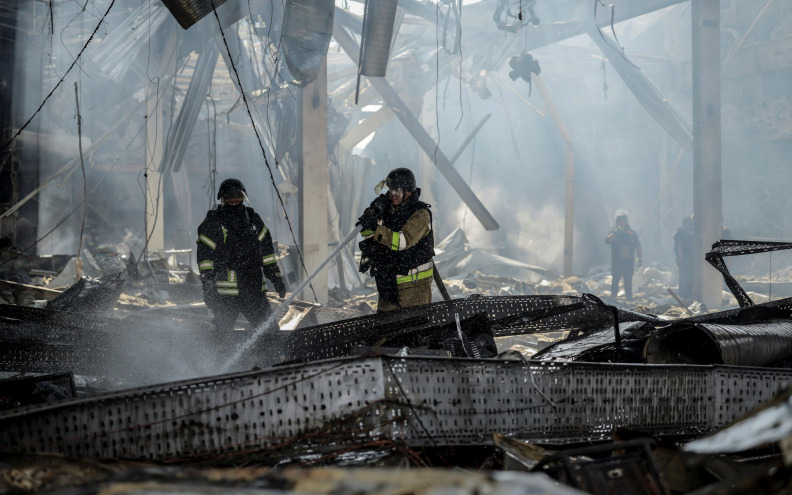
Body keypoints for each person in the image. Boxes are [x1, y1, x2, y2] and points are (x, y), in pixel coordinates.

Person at [197, 178, 287, 332]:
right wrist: (209, 286)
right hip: (225, 295)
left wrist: (275, 277)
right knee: (221, 337)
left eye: (237, 200)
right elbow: (205, 258)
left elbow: (267, 253)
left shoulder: (253, 220)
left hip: (253, 291)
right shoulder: (213, 222)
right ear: (223, 200)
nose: (234, 203)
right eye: (230, 201)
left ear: (243, 199)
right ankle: (215, 357)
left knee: (270, 332)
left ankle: (272, 357)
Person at [356, 167, 435, 312]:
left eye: (396, 190)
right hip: (388, 284)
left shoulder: (421, 214)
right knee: (386, 331)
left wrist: (377, 229)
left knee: (412, 330)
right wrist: (371, 214)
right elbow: (368, 235)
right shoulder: (388, 211)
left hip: (414, 287)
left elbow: (402, 242)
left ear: (408, 190)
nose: (392, 194)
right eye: (390, 190)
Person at [605, 209, 642, 300]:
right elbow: (608, 240)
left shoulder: (632, 233)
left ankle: (629, 298)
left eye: (621, 220)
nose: (619, 222)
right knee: (615, 280)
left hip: (628, 261)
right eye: (618, 220)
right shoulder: (613, 232)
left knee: (628, 281)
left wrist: (639, 258)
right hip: (617, 261)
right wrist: (615, 233)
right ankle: (613, 297)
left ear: (625, 221)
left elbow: (638, 246)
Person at [673, 215, 695, 300]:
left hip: (683, 258)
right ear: (686, 224)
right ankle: (686, 295)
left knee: (683, 276)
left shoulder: (679, 232)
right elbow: (680, 247)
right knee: (686, 277)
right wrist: (682, 258)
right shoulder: (682, 233)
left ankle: (683, 294)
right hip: (684, 259)